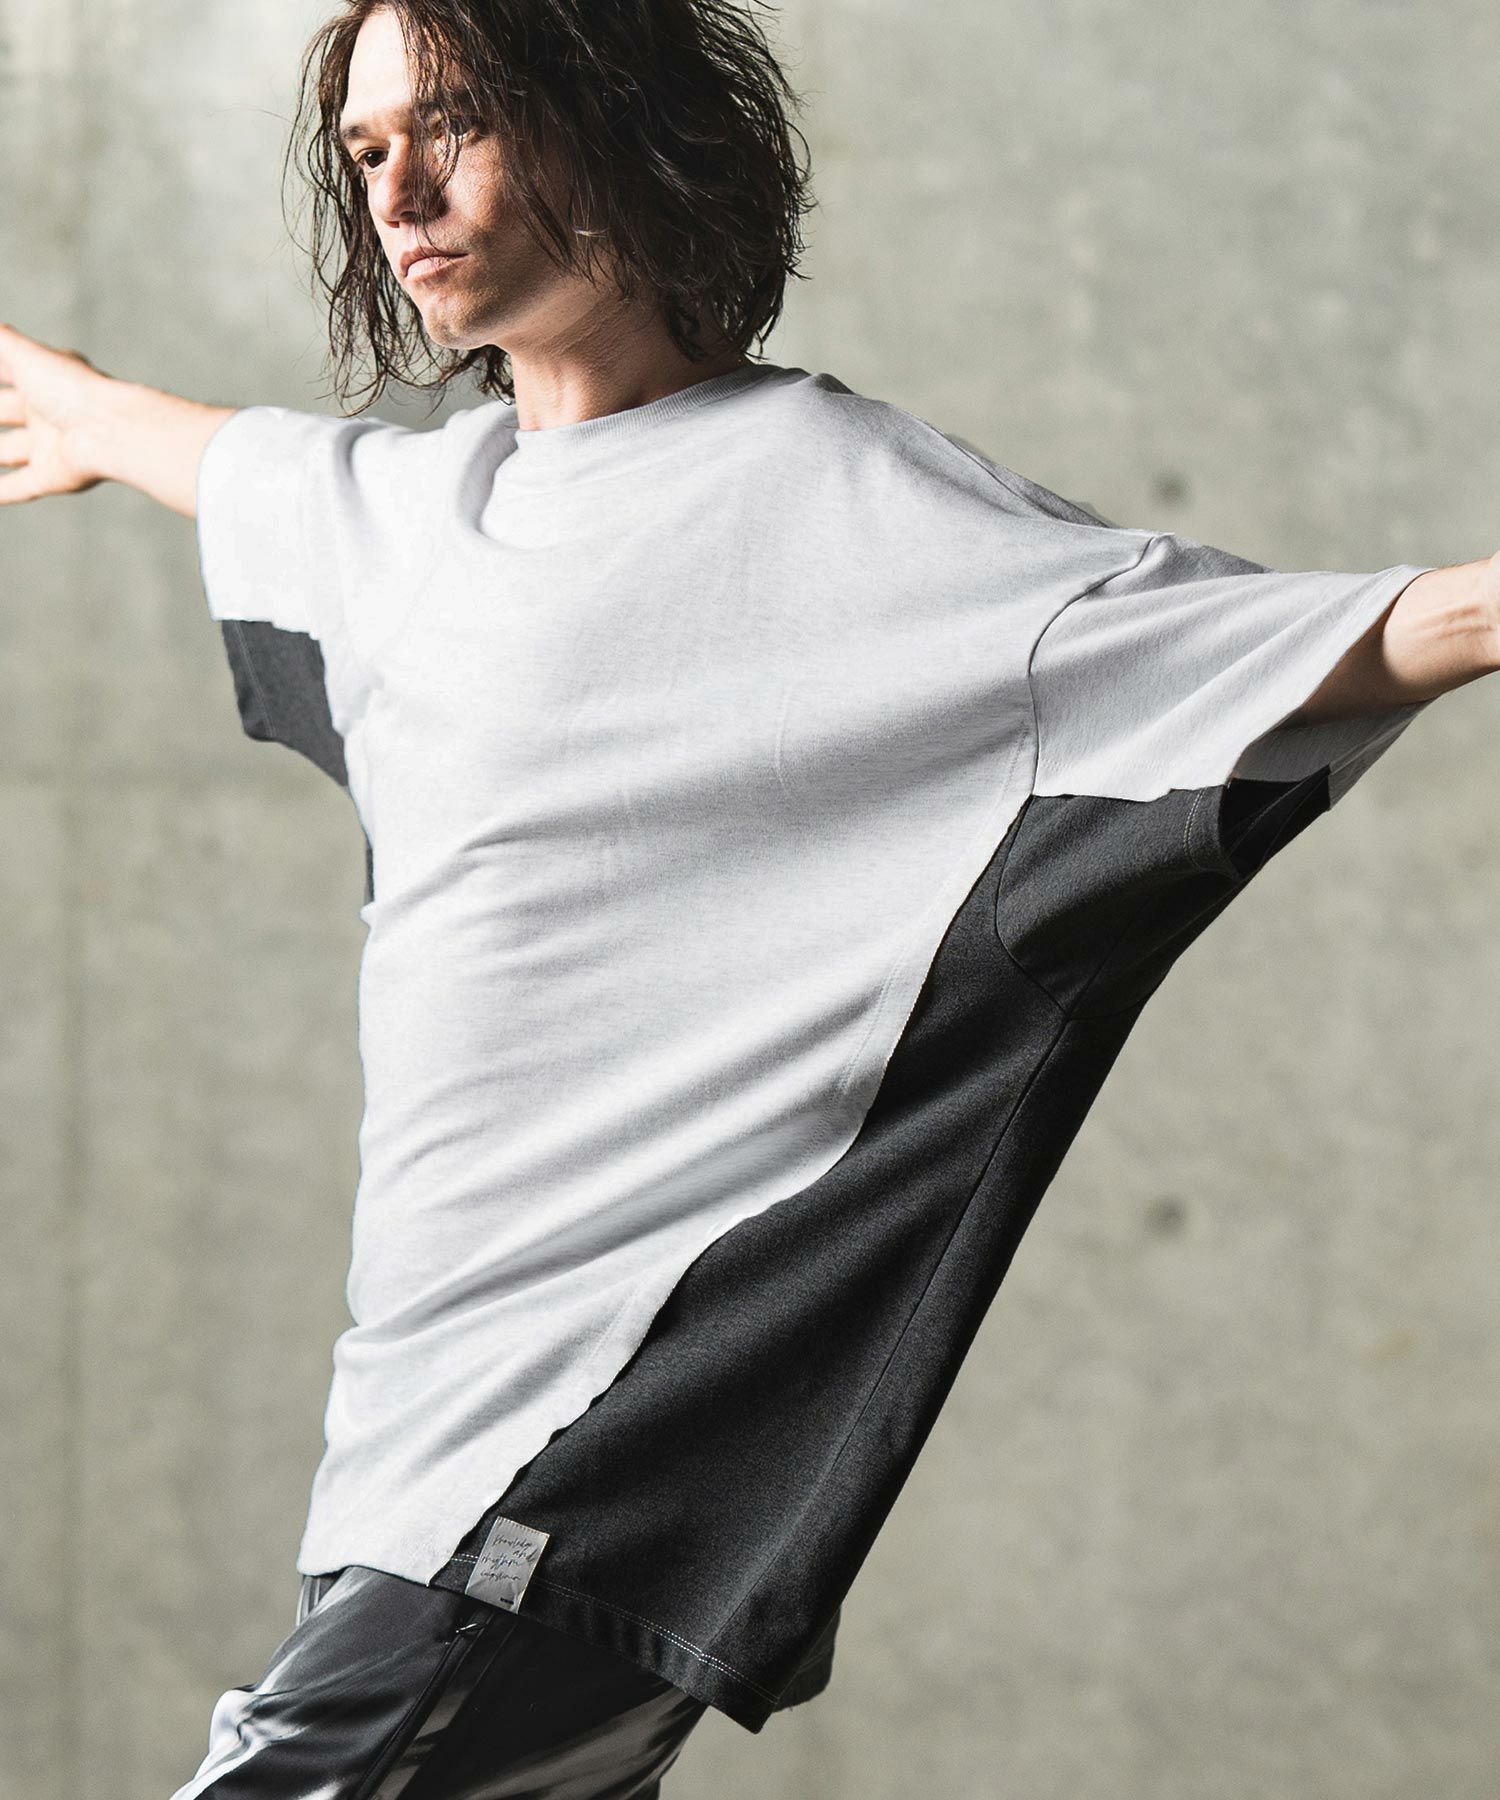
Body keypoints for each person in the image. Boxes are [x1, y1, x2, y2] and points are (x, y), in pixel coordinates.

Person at [1, 0, 1495, 1794]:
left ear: (609, 119)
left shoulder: (851, 513)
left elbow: (1335, 636)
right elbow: (216, 454)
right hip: (398, 1470)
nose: (396, 191)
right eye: (366, 148)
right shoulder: (399, 516)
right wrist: (81, 410)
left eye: (451, 123)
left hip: (561, 1469)